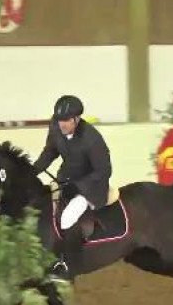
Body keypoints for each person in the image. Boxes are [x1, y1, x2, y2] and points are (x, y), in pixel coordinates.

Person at [33, 95, 113, 281]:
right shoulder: (55, 128)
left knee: (67, 218)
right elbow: (50, 152)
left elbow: (104, 170)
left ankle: (68, 265)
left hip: (92, 186)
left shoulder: (92, 139)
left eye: (66, 121)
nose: (62, 125)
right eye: (59, 120)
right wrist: (32, 170)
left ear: (76, 119)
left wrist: (78, 187)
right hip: (66, 179)